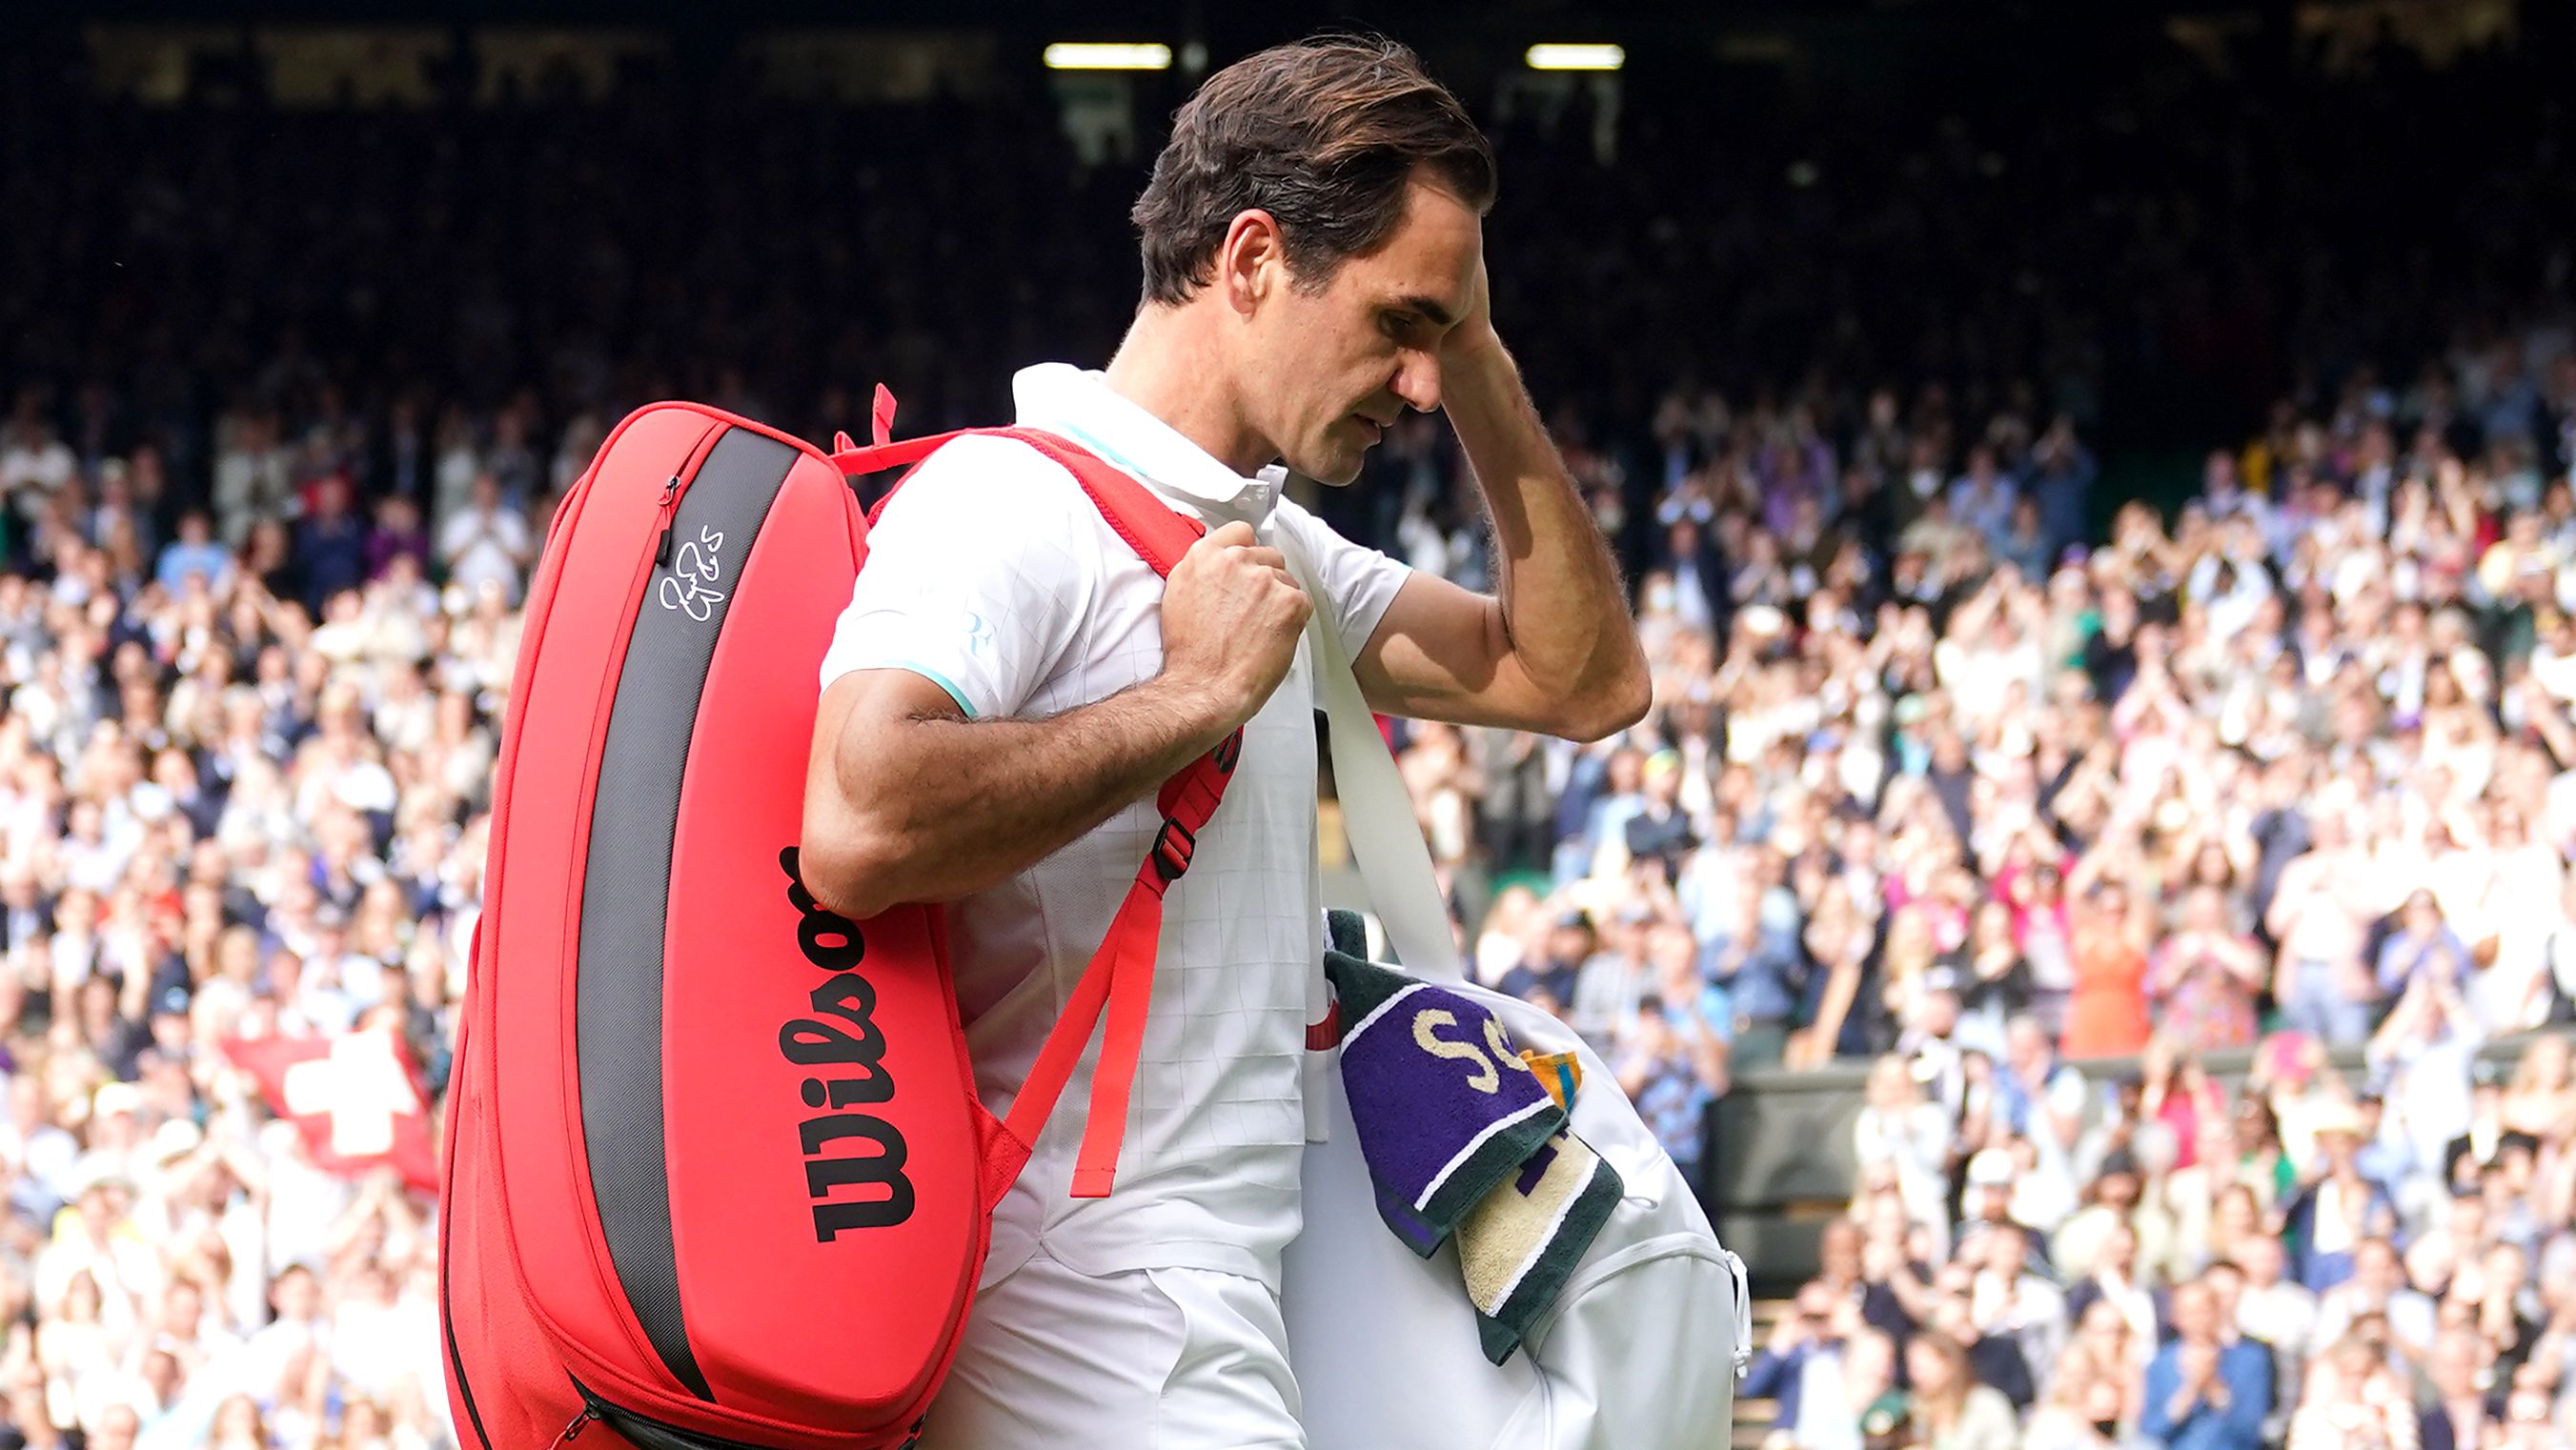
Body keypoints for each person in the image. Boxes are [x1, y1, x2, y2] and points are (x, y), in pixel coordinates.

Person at [797, 38, 1648, 1448]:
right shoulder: (1005, 501)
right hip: (1099, 1309)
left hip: (1199, 1299)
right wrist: (1191, 698)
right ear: (1250, 258)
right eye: (1398, 322)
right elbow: (858, 819)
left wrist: (1478, 347)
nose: (1418, 386)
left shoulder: (1257, 542)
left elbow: (1575, 679)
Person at [2140, 1279, 2270, 1450]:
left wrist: (2215, 1389)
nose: (2197, 1320)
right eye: (2188, 1313)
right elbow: (2151, 1430)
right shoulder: (2160, 1364)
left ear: (2217, 1311)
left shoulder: (2249, 1360)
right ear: (2176, 1317)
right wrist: (2189, 1391)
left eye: (2203, 1311)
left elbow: (2250, 1430)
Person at [1897, 1330, 2018, 1450]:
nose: (1916, 1375)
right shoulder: (1913, 1408)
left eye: (1923, 1367)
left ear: (1949, 1364)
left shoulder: (1987, 1404)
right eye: (1913, 1367)